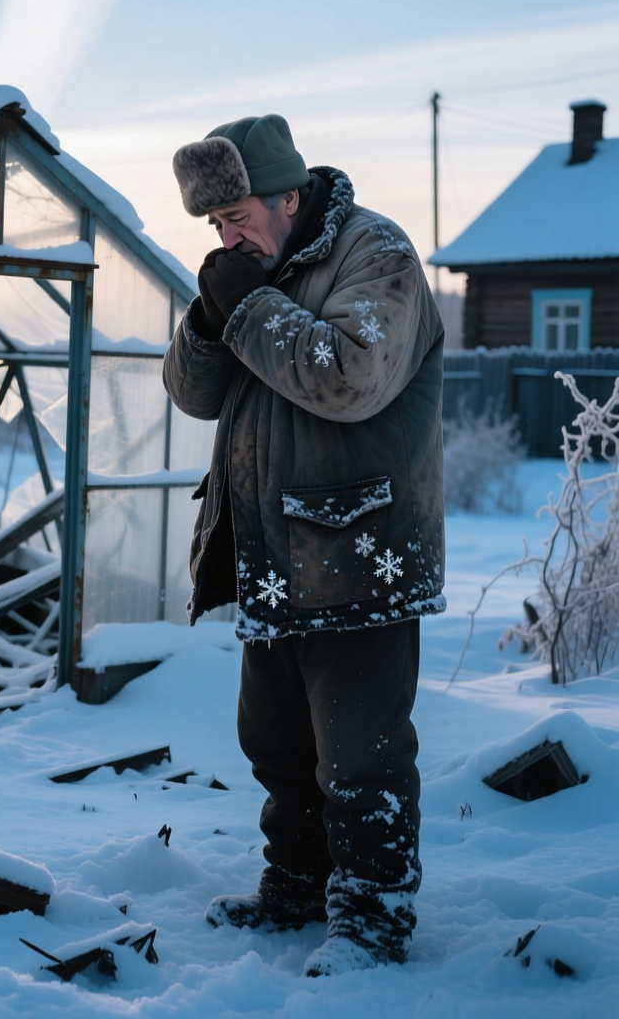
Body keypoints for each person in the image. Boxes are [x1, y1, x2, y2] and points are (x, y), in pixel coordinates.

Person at [162, 114, 444, 975]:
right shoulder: (260, 273)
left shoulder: (376, 255)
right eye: (215, 226)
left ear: (290, 196)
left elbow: (348, 376)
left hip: (359, 553)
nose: (226, 236)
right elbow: (191, 395)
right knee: (276, 742)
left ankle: (372, 916)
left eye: (238, 215)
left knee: (361, 751)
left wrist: (247, 304)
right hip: (270, 551)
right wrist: (211, 322)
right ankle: (295, 887)